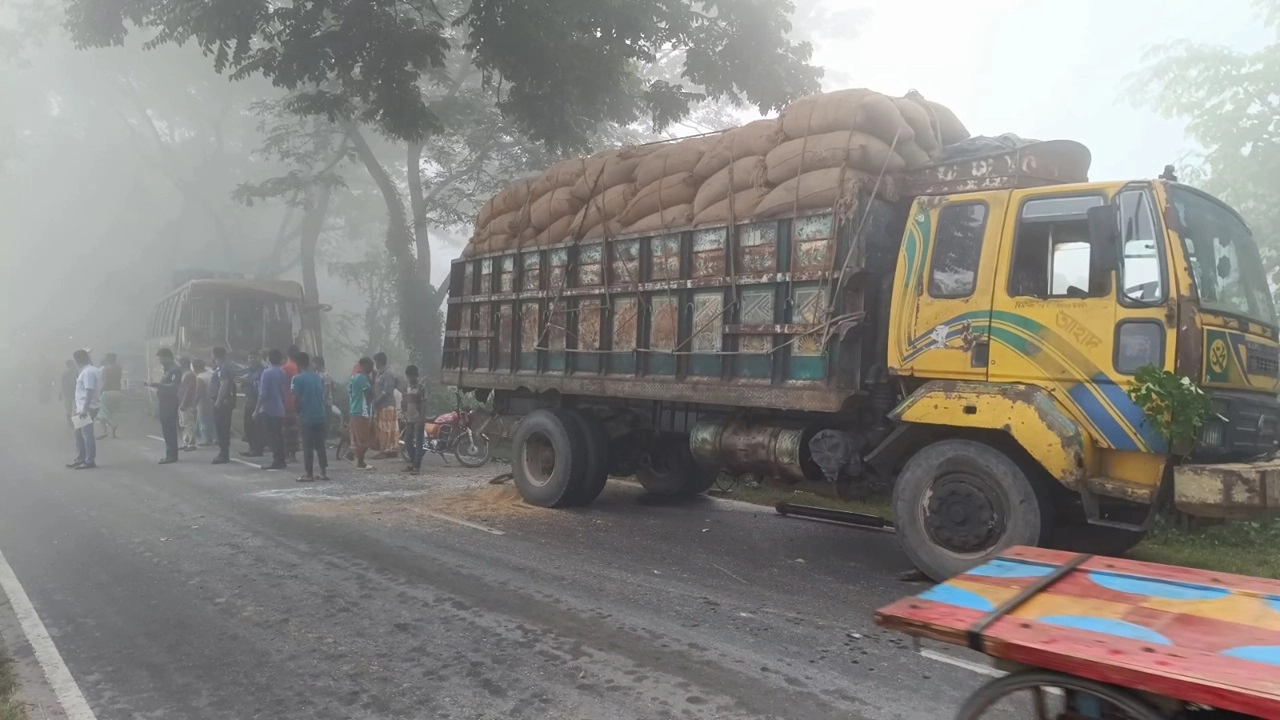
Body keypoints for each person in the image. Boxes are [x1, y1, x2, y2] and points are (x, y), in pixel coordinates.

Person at [290, 352, 328, 482]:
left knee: (307, 446)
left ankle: (309, 474)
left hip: (307, 415)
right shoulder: (318, 377)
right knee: (320, 445)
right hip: (320, 414)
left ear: (297, 364)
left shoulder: (297, 379)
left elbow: (295, 398)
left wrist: (297, 412)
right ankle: (323, 472)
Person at [254, 349, 289, 471]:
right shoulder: (282, 372)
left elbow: (263, 393)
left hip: (268, 409)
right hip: (279, 408)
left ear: (268, 358)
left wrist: (256, 409)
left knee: (271, 436)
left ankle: (277, 460)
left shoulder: (267, 373)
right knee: (278, 435)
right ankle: (281, 459)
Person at [67, 349, 100, 470]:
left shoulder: (87, 372)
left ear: (77, 360)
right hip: (82, 407)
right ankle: (81, 458)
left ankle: (89, 460)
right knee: (79, 434)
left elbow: (89, 390)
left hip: (86, 408)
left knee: (86, 434)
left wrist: (85, 409)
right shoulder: (90, 370)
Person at [149, 348, 183, 463]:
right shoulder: (168, 370)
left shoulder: (175, 370)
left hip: (170, 402)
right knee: (166, 429)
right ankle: (170, 453)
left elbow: (174, 386)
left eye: (161, 358)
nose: (160, 360)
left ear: (168, 357)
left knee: (169, 429)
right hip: (164, 402)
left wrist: (158, 385)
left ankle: (172, 455)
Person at [347, 357, 375, 470]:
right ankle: (358, 460)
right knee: (363, 437)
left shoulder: (354, 377)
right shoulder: (362, 378)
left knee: (360, 437)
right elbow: (369, 392)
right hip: (361, 411)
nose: (371, 369)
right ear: (363, 366)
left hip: (355, 410)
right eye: (370, 366)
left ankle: (353, 455)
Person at [210, 346, 236, 464]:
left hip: (223, 402)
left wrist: (218, 401)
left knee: (222, 428)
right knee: (222, 428)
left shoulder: (222, 368)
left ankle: (223, 454)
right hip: (225, 401)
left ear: (214, 355)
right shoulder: (224, 367)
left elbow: (224, 384)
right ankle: (223, 452)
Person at [371, 352, 399, 459]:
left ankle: (386, 450)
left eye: (376, 362)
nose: (375, 364)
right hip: (380, 405)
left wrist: (377, 400)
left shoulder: (388, 373)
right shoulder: (379, 373)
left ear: (380, 362)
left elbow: (387, 390)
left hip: (387, 404)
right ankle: (389, 449)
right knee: (382, 428)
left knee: (386, 429)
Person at [401, 364, 427, 474]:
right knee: (407, 442)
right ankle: (412, 462)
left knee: (419, 443)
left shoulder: (421, 387)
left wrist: (422, 418)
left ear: (416, 376)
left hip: (418, 419)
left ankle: (417, 466)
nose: (411, 379)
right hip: (409, 419)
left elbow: (424, 403)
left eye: (412, 376)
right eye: (409, 376)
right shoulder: (408, 387)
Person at [241, 350, 265, 457]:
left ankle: (258, 448)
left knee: (257, 426)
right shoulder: (248, 372)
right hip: (249, 400)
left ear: (259, 358)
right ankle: (251, 447)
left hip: (257, 401)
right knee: (248, 425)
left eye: (254, 357)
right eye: (250, 357)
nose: (252, 359)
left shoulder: (262, 372)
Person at [281, 346, 301, 462]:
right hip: (296, 402)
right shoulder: (299, 369)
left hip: (285, 401)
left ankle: (287, 453)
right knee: (294, 430)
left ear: (287, 355)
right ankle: (292, 454)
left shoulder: (284, 368)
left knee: (285, 429)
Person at [97, 353, 123, 440]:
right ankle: (114, 434)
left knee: (102, 413)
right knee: (113, 413)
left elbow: (105, 381)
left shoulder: (106, 369)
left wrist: (100, 391)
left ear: (108, 359)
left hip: (107, 392)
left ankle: (105, 430)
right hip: (118, 392)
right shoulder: (119, 368)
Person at [179, 358, 201, 452]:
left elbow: (189, 390)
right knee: (183, 423)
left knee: (189, 423)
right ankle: (186, 442)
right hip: (182, 402)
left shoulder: (189, 375)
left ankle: (191, 443)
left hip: (187, 403)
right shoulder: (185, 374)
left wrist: (184, 402)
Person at [196, 359, 215, 446]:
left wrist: (194, 403)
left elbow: (199, 392)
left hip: (204, 401)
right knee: (213, 420)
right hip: (214, 399)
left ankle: (207, 439)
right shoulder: (211, 372)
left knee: (203, 421)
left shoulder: (200, 377)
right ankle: (216, 438)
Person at [60, 359, 77, 429]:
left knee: (68, 407)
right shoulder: (77, 371)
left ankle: (69, 421)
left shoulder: (65, 372)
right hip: (75, 391)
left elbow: (62, 383)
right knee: (76, 407)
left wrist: (60, 393)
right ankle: (76, 421)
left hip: (67, 391)